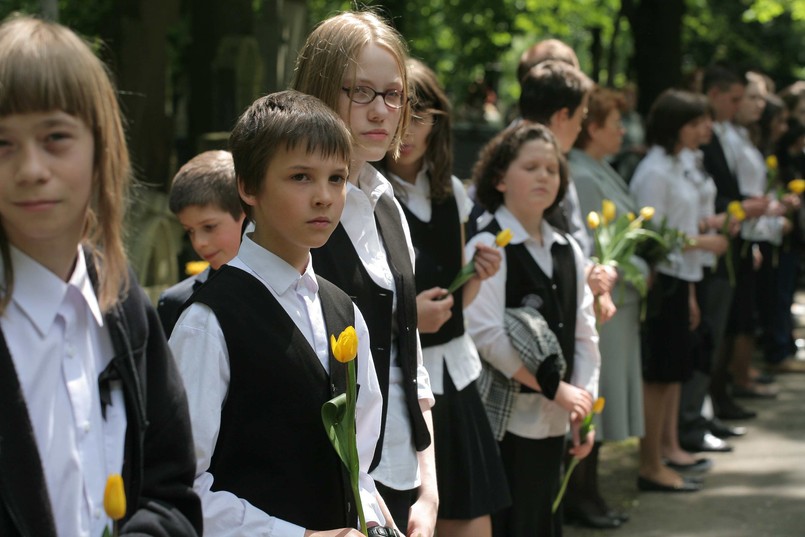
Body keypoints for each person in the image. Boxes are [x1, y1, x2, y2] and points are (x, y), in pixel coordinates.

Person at [0, 16, 201, 536]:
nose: (30, 168)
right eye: (3, 144)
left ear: (99, 148)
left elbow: (169, 489)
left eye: (56, 138)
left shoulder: (121, 299)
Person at [169, 90, 389, 536]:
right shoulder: (208, 323)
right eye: (301, 177)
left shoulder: (343, 310)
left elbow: (358, 464)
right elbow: (179, 487)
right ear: (248, 187)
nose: (325, 197)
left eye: (337, 178)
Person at [291, 12, 438, 535]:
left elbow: (409, 352)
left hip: (402, 475)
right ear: (320, 92)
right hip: (330, 493)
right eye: (361, 92)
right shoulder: (291, 218)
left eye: (394, 94)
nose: (382, 110)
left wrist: (429, 481)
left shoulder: (386, 204)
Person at [377, 58, 510, 537]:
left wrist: (477, 274)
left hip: (454, 373)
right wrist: (406, 318)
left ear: (438, 121)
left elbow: (455, 306)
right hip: (399, 382)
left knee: (474, 521)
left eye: (419, 116)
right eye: (398, 112)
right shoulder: (365, 194)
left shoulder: (451, 192)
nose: (405, 130)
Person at [465, 122, 600, 537]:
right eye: (531, 167)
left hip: (556, 420)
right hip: (506, 423)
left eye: (552, 169)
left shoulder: (568, 249)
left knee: (544, 521)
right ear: (500, 178)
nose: (544, 176)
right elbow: (487, 336)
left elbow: (585, 333)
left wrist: (583, 406)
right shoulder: (489, 246)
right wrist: (554, 388)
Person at [630, 89, 729, 493]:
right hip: (664, 280)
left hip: (680, 278)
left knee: (674, 370)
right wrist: (703, 243)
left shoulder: (675, 164)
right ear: (675, 127)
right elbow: (653, 236)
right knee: (661, 372)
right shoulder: (655, 170)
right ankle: (651, 460)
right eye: (692, 123)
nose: (701, 130)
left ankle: (668, 448)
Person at [567, 87, 642, 528]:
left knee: (599, 398)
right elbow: (596, 246)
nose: (622, 131)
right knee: (593, 395)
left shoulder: (598, 167)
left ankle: (589, 492)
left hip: (617, 299)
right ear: (592, 128)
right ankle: (582, 493)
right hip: (602, 300)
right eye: (615, 123)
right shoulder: (585, 174)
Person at [157, 150, 245, 336]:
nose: (199, 243)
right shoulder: (176, 302)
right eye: (189, 231)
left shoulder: (291, 287)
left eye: (209, 227)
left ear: (245, 212)